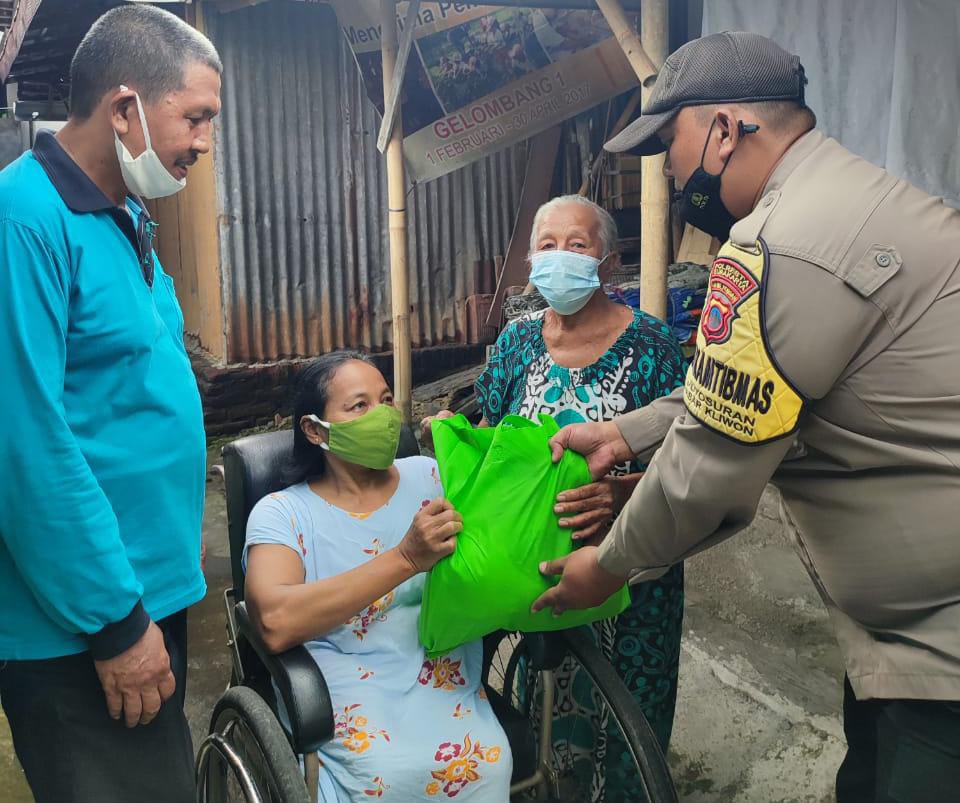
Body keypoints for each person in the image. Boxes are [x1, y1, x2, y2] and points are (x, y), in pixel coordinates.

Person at [531, 31, 960, 801]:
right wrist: (624, 432)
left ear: (725, 131)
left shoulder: (782, 246)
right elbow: (749, 384)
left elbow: (707, 468)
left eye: (669, 144)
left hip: (942, 649)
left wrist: (609, 565)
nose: (669, 170)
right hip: (908, 640)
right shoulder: (846, 198)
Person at [0, 6, 221, 801]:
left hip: (144, 589)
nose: (204, 141)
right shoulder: (21, 219)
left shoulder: (125, 209)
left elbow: (125, 384)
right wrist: (117, 623)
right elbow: (23, 444)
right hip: (82, 625)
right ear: (126, 108)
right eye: (195, 117)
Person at [423, 194, 687, 799]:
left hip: (632, 567)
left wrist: (623, 494)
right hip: (531, 571)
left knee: (633, 723)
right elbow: (490, 439)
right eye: (547, 245)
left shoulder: (652, 344)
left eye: (577, 245)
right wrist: (454, 438)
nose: (559, 257)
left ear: (608, 262)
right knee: (546, 709)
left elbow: (691, 460)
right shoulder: (517, 341)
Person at [244, 353, 512, 802]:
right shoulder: (283, 513)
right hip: (341, 678)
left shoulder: (430, 476)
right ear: (314, 430)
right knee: (385, 773)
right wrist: (406, 558)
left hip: (434, 668)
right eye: (359, 406)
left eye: (386, 400)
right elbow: (273, 621)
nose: (384, 416)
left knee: (489, 760)